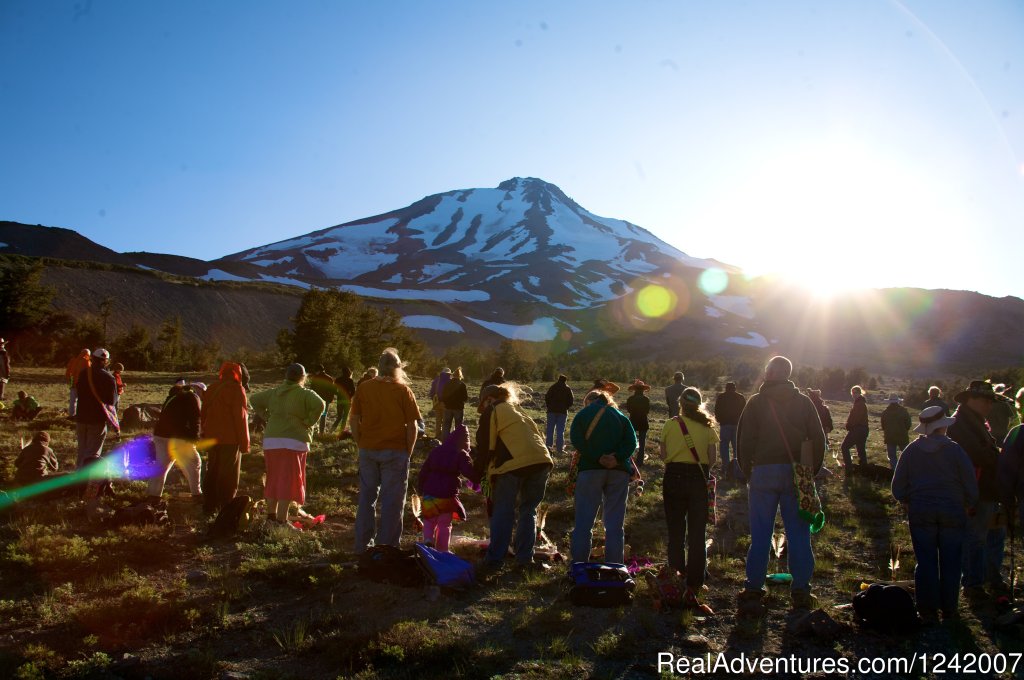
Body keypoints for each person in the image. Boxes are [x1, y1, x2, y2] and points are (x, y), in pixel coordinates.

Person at [736, 356, 827, 615]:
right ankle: (801, 590)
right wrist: (809, 473)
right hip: (797, 474)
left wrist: (748, 472)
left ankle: (754, 588)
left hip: (763, 473)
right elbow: (818, 439)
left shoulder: (756, 402)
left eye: (766, 369)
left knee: (761, 534)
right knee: (799, 534)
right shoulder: (804, 402)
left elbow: (744, 441)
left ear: (772, 373)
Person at [892, 406, 978, 623]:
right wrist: (969, 503)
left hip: (921, 510)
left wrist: (905, 499)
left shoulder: (911, 450)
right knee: (951, 560)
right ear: (943, 428)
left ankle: (927, 609)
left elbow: (897, 486)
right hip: (953, 510)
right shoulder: (956, 450)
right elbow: (970, 484)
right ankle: (949, 608)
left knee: (926, 560)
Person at [476, 382, 553, 572]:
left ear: (489, 399)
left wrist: (476, 473)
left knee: (503, 510)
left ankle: (495, 559)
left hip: (512, 465)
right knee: (529, 510)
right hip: (541, 461)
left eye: (483, 404)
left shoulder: (492, 410)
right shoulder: (518, 411)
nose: (482, 409)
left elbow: (486, 446)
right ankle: (524, 559)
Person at [351, 348, 421, 552]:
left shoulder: (364, 388)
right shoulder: (403, 390)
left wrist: (360, 442)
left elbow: (354, 419)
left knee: (366, 498)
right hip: (395, 451)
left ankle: (362, 546)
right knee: (392, 501)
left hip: (368, 449)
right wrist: (408, 452)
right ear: (398, 368)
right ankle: (387, 547)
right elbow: (413, 426)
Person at [660, 387, 718, 611]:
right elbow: (712, 459)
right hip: (698, 478)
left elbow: (664, 456)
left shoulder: (670, 424)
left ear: (681, 404)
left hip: (673, 477)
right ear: (700, 403)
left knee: (675, 530)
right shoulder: (707, 426)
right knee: (697, 532)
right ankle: (696, 581)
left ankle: (676, 576)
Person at [250, 363, 326, 527]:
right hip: (294, 440)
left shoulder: (275, 392)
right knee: (288, 480)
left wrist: (265, 416)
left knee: (273, 478)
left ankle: (271, 518)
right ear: (303, 377)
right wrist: (308, 422)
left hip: (271, 440)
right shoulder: (305, 394)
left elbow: (253, 399)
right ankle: (281, 520)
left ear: (286, 376)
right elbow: (321, 405)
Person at [569, 388, 638, 566]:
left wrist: (596, 456)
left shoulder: (583, 415)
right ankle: (615, 566)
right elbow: (632, 442)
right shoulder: (620, 416)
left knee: (584, 522)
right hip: (618, 472)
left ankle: (579, 565)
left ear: (588, 402)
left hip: (590, 470)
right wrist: (617, 458)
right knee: (615, 524)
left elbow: (576, 439)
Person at [947, 380, 1001, 594]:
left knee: (988, 536)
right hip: (974, 489)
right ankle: (973, 583)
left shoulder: (976, 421)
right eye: (985, 400)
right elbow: (976, 453)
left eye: (991, 401)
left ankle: (987, 577)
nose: (989, 405)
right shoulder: (960, 424)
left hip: (984, 487)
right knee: (975, 537)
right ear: (970, 399)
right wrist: (997, 457)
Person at [417, 424, 479, 551]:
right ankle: (442, 550)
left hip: (429, 493)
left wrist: (420, 489)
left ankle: (428, 542)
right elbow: (468, 472)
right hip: (447, 495)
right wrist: (478, 479)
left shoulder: (436, 451)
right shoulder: (460, 454)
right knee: (444, 525)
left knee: (429, 521)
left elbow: (423, 471)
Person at [200, 361, 251, 515]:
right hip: (230, 439)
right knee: (228, 473)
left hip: (212, 438)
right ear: (239, 375)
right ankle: (225, 506)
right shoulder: (236, 390)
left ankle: (209, 505)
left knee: (213, 469)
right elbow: (240, 418)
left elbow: (203, 413)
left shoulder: (212, 388)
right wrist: (244, 444)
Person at [74, 348, 119, 518]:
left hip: (81, 416)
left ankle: (78, 480)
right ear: (106, 361)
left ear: (92, 359)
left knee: (82, 450)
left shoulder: (85, 373)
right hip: (97, 419)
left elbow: (77, 390)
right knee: (93, 453)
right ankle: (88, 486)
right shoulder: (108, 378)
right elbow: (112, 401)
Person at [148, 380, 204, 504]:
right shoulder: (193, 397)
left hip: (161, 435)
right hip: (179, 438)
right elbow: (196, 419)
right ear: (198, 390)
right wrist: (194, 439)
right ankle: (197, 494)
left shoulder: (172, 397)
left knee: (161, 466)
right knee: (194, 463)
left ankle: (153, 496)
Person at [714, 382, 746, 479]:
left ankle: (726, 467)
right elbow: (745, 411)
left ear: (726, 388)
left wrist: (719, 420)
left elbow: (717, 409)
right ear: (735, 388)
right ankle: (737, 468)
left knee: (724, 446)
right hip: (737, 425)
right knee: (737, 447)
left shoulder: (721, 397)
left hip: (725, 425)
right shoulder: (740, 397)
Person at [543, 374, 574, 455]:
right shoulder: (567, 388)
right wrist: (566, 407)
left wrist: (549, 406)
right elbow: (571, 401)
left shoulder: (553, 387)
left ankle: (548, 448)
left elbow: (547, 397)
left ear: (558, 379)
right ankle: (559, 449)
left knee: (550, 430)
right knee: (560, 431)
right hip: (562, 412)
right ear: (565, 380)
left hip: (551, 411)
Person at [841, 385, 869, 470]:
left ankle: (849, 468)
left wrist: (849, 425)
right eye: (852, 393)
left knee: (844, 447)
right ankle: (864, 469)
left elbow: (856, 418)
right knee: (861, 449)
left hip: (858, 429)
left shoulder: (859, 404)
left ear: (858, 393)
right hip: (863, 430)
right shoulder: (860, 403)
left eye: (854, 393)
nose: (853, 395)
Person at [880, 394, 912, 469]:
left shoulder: (885, 412)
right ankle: (907, 469)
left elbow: (883, 425)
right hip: (902, 435)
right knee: (906, 454)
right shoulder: (904, 411)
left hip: (890, 437)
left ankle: (894, 472)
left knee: (892, 456)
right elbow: (908, 424)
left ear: (889, 402)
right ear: (898, 401)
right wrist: (904, 430)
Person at [624, 379, 652, 467]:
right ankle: (640, 461)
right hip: (643, 422)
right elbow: (647, 411)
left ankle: (630, 459)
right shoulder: (646, 399)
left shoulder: (630, 399)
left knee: (631, 441)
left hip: (632, 421)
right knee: (642, 442)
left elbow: (628, 410)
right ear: (643, 390)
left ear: (635, 389)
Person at [440, 367, 469, 437]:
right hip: (458, 408)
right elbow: (465, 398)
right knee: (458, 426)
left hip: (448, 407)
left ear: (453, 375)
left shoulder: (447, 384)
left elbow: (443, 395)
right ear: (460, 376)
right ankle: (456, 441)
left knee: (446, 426)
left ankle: (445, 442)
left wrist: (445, 402)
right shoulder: (462, 385)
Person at [309, 365, 338, 435]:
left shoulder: (315, 378)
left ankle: (313, 430)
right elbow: (333, 390)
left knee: (314, 414)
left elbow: (311, 389)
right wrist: (330, 399)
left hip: (316, 399)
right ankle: (321, 432)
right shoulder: (329, 378)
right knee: (324, 415)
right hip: (326, 400)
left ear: (318, 370)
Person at [65, 348, 91, 417]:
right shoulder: (87, 361)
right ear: (88, 354)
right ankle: (80, 415)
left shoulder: (73, 360)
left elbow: (68, 373)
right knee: (82, 400)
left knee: (72, 401)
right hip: (82, 384)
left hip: (72, 382)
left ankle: (71, 415)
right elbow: (89, 374)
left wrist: (70, 382)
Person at [428, 368, 453, 438]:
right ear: (449, 374)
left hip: (437, 402)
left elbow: (432, 392)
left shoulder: (436, 380)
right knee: (446, 421)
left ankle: (437, 435)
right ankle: (444, 437)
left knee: (438, 420)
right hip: (446, 403)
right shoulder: (450, 381)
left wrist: (433, 399)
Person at [333, 367, 356, 434]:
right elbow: (353, 391)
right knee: (345, 417)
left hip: (340, 400)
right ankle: (341, 432)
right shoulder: (350, 380)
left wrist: (338, 394)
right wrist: (349, 396)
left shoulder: (338, 380)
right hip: (347, 400)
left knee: (339, 417)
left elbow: (334, 390)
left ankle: (332, 430)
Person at [0, 337, 9, 402]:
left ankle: (1, 396)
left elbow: (6, 363)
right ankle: (1, 396)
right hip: (2, 369)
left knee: (2, 381)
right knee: (2, 381)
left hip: (2, 368)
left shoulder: (3, 351)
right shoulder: (3, 352)